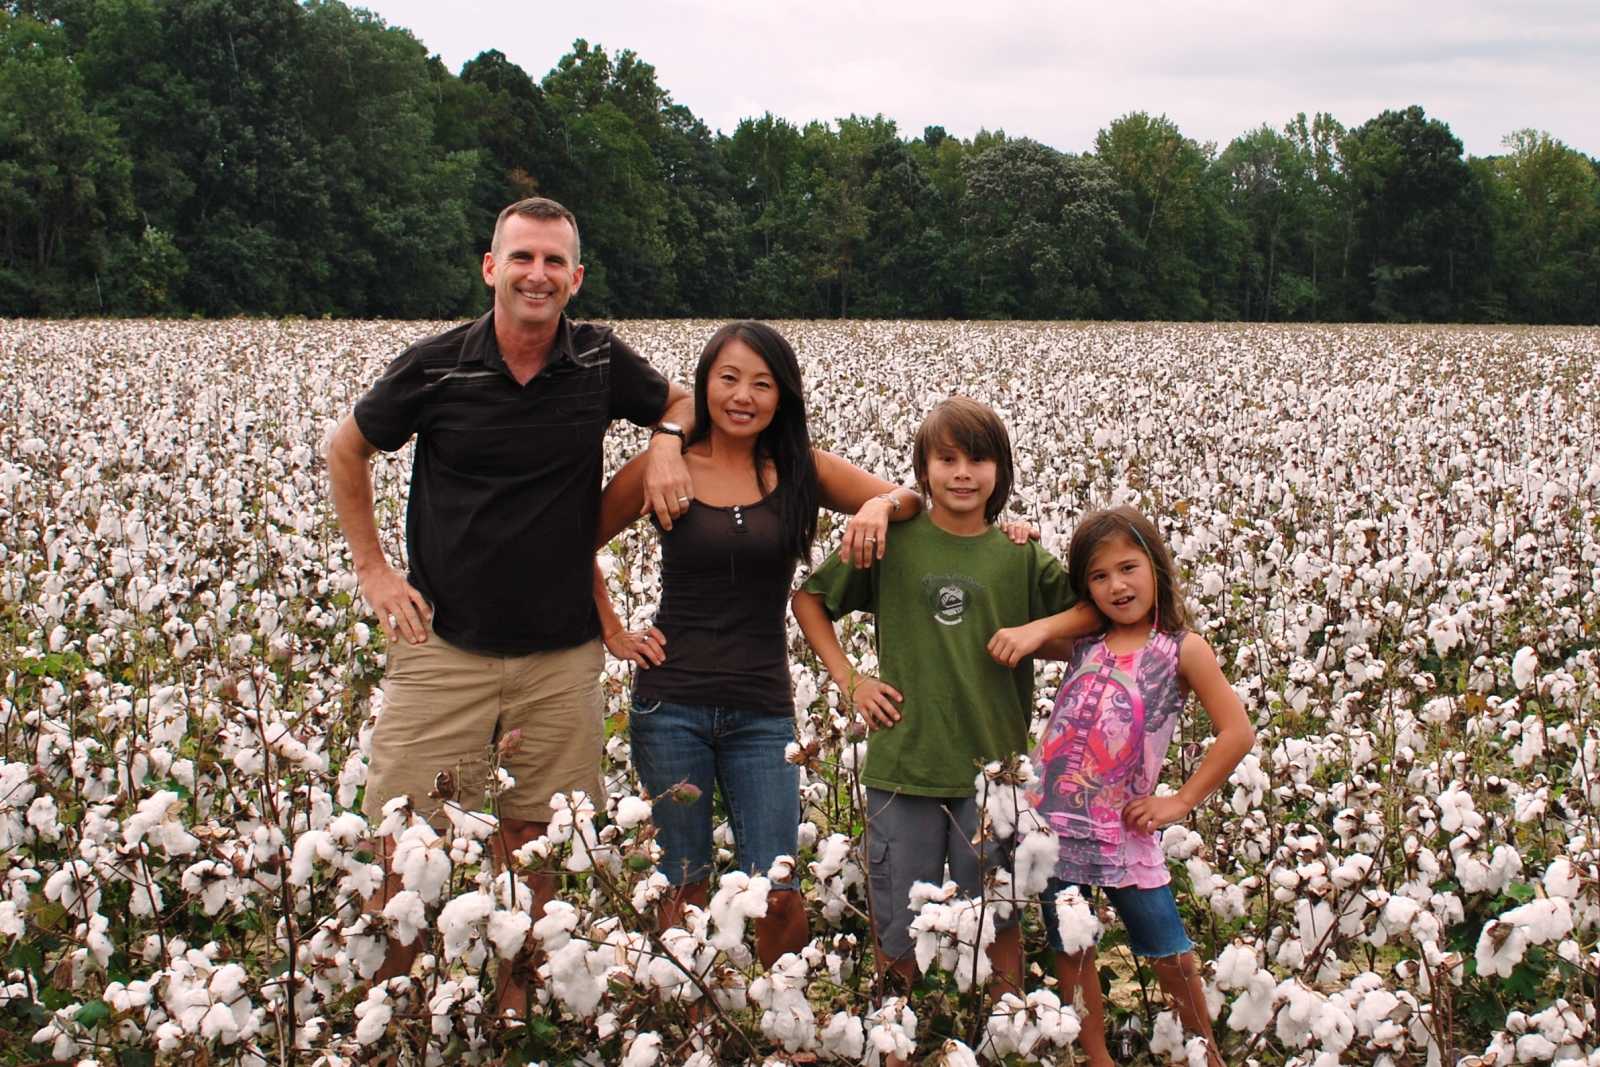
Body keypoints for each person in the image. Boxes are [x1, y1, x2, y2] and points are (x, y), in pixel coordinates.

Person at [324, 197, 694, 1010]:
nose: (538, 274)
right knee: (406, 838)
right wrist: (375, 572)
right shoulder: (437, 364)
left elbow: (682, 400)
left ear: (576, 278)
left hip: (560, 653)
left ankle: (514, 1010)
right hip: (443, 648)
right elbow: (345, 447)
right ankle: (400, 1011)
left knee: (539, 842)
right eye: (522, 258)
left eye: (554, 261)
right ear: (491, 268)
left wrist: (666, 439)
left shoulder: (598, 359)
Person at [592, 320, 926, 968]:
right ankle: (685, 1021)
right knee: (682, 878)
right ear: (704, 386)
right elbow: (577, 541)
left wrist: (880, 508)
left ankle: (781, 1014)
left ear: (783, 395)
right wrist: (612, 631)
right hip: (670, 707)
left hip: (763, 711)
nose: (743, 395)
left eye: (762, 382)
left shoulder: (801, 469)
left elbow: (907, 496)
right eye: (728, 378)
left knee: (778, 889)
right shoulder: (664, 465)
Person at [791, 396, 1100, 1017]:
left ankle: (1004, 1034)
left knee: (999, 921)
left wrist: (1038, 632)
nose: (963, 473)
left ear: (1001, 472)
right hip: (904, 765)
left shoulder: (1019, 554)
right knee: (898, 926)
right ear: (923, 469)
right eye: (947, 459)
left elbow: (1094, 611)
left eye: (979, 459)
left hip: (995, 777)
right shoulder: (892, 541)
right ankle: (896, 1040)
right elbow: (810, 600)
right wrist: (851, 681)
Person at [987, 505, 1256, 1067]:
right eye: (1099, 576)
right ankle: (1095, 1057)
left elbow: (1237, 732)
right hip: (1053, 827)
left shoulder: (1182, 649)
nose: (1118, 585)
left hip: (1123, 830)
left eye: (1129, 568)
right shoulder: (1083, 643)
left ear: (1156, 567)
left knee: (1169, 951)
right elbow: (1042, 625)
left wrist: (1181, 800)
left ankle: (1204, 1050)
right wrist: (1019, 541)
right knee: (1071, 949)